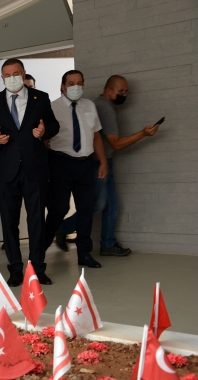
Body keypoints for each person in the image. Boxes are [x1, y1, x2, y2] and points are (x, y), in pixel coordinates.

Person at [57, 75, 160, 257]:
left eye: (126, 91)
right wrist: (143, 133)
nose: (124, 94)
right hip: (98, 163)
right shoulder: (104, 108)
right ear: (109, 90)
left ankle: (108, 243)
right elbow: (115, 143)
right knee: (98, 204)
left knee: (111, 205)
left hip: (102, 162)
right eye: (121, 91)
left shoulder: (94, 104)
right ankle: (62, 227)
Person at [0, 58, 60, 287]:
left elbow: (54, 125)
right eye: (7, 75)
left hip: (35, 168)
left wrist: (44, 132)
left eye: (16, 74)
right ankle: (15, 270)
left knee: (36, 221)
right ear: (2, 78)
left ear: (23, 74)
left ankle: (37, 269)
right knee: (9, 222)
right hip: (7, 171)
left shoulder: (40, 98)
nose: (12, 78)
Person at [43, 70, 108, 268]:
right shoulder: (51, 107)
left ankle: (84, 254)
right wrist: (45, 168)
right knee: (58, 208)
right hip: (60, 162)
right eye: (71, 83)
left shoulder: (89, 105)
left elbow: (96, 135)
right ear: (62, 86)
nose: (76, 87)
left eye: (79, 83)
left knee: (86, 209)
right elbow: (44, 139)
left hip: (86, 163)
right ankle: (39, 250)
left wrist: (103, 161)